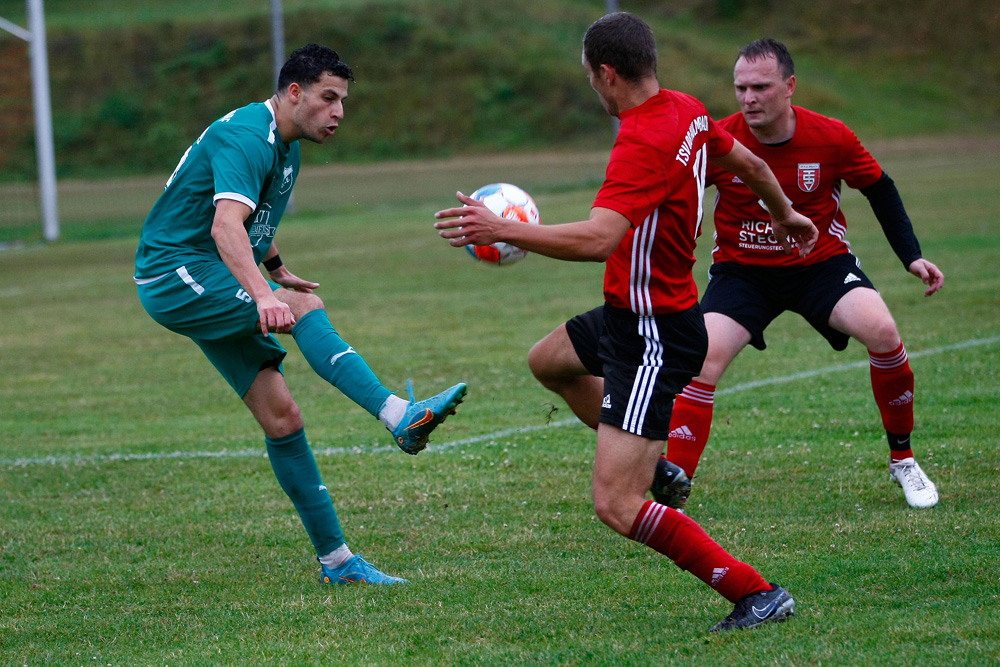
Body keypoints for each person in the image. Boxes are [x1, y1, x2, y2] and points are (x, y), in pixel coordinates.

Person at [435, 13, 817, 632]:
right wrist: (787, 215)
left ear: (607, 74)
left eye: (591, 77)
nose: (593, 86)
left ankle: (756, 592)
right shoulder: (688, 109)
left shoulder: (642, 141)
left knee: (616, 504)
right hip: (628, 312)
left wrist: (502, 227)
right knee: (548, 361)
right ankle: (658, 465)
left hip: (652, 334)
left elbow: (597, 238)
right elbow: (751, 165)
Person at [134, 44, 467, 586]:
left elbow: (250, 217)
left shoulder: (286, 147)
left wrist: (277, 268)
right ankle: (398, 416)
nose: (338, 112)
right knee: (305, 307)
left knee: (283, 418)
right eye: (328, 98)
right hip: (175, 273)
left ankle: (338, 564)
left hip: (204, 270)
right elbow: (225, 227)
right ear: (294, 93)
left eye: (343, 102)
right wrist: (265, 296)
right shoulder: (248, 136)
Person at [654, 38, 944, 509]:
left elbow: (881, 189)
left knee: (883, 331)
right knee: (700, 361)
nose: (748, 98)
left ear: (789, 86)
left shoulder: (831, 137)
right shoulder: (717, 139)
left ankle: (903, 460)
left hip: (820, 266)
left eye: (760, 87)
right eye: (740, 88)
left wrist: (910, 256)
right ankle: (674, 488)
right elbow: (673, 188)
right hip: (742, 272)